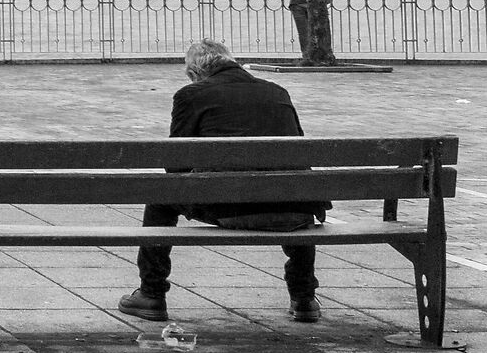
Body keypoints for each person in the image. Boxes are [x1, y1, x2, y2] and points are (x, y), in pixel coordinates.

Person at [120, 38, 331, 326]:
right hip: (295, 208)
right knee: (288, 186)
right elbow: (296, 150)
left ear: (195, 73)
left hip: (229, 207)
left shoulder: (191, 95)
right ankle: (304, 297)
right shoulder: (277, 92)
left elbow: (175, 163)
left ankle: (151, 294)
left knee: (161, 196)